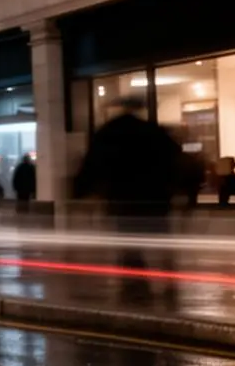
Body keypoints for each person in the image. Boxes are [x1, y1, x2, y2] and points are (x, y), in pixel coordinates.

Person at [74, 100, 178, 294]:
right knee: (162, 241)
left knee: (130, 245)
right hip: (155, 197)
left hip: (122, 198)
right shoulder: (152, 131)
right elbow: (173, 160)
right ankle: (170, 283)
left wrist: (83, 192)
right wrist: (176, 190)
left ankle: (136, 287)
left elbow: (92, 164)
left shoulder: (109, 133)